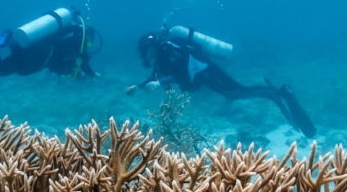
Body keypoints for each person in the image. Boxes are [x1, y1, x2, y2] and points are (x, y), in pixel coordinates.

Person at [128, 25, 317, 138]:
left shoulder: (169, 50)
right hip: (205, 75)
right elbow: (155, 76)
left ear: (153, 47)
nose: (146, 55)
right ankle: (274, 93)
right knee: (235, 93)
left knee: (237, 92)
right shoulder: (163, 56)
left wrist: (161, 83)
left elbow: (180, 72)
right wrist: (138, 87)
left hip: (209, 72)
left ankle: (281, 92)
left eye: (147, 50)